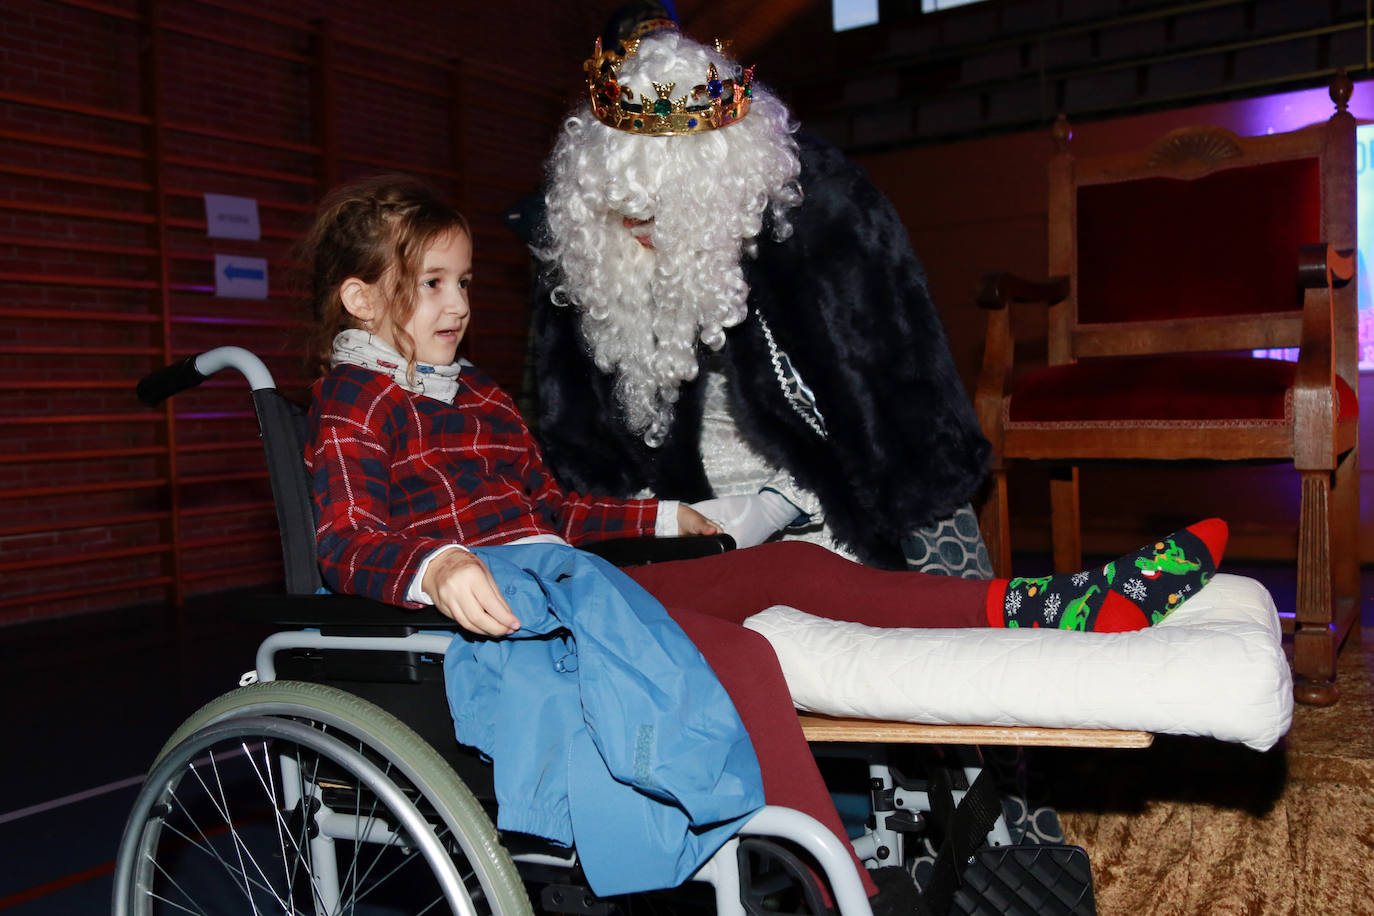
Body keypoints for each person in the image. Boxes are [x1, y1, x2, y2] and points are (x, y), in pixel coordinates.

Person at [301, 174, 1228, 909]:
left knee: (789, 565)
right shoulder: (356, 401)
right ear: (359, 296)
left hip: (569, 586)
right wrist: (440, 564)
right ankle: (841, 891)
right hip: (496, 624)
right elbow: (345, 540)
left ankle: (1048, 604)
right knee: (741, 655)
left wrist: (668, 517)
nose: (459, 303)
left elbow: (559, 513)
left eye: (463, 282)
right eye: (432, 285)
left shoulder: (484, 400)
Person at [524, 12, 992, 575]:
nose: (638, 232)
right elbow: (578, 449)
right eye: (623, 212)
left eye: (659, 211)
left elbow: (892, 414)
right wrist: (654, 521)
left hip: (831, 508)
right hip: (677, 523)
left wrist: (782, 505)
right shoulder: (590, 252)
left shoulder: (826, 220)